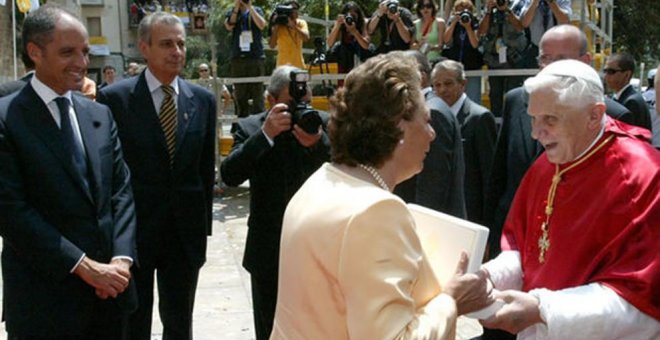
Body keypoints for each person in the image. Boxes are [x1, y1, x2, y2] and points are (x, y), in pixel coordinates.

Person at [270, 51, 493, 339]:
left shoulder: (320, 181)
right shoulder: (376, 211)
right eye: (425, 121)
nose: (432, 134)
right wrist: (450, 300)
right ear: (399, 125)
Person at [480, 59, 659, 339]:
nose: (535, 133)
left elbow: (642, 303)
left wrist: (543, 310)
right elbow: (523, 251)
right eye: (533, 118)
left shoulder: (642, 176)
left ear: (593, 115)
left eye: (550, 119)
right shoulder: (546, 165)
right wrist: (488, 278)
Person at [0, 4, 137, 338]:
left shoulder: (99, 115)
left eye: (85, 52)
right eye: (67, 52)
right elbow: (12, 212)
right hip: (44, 305)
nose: (81, 63)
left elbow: (121, 193)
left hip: (109, 298)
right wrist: (84, 267)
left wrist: (120, 261)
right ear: (35, 52)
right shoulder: (7, 119)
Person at [97, 11, 217, 340]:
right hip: (134, 234)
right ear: (144, 48)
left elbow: (205, 171)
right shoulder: (115, 99)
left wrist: (202, 229)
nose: (176, 51)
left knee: (179, 322)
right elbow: (107, 173)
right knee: (133, 322)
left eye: (180, 44)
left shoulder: (203, 101)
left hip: (184, 233)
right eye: (166, 44)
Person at [484, 25, 635, 264]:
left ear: (585, 61)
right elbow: (499, 176)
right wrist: (489, 236)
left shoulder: (616, 117)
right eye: (545, 58)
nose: (551, 67)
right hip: (512, 243)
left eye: (562, 59)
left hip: (575, 251)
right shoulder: (515, 100)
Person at [220, 65, 330, 340]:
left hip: (319, 248)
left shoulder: (324, 123)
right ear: (271, 100)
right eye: (292, 103)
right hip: (269, 252)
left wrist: (318, 143)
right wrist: (266, 135)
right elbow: (230, 175)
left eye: (304, 101)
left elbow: (350, 168)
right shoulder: (251, 127)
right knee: (270, 330)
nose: (299, 109)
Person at [394, 50, 466, 219]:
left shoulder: (431, 113)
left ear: (420, 74)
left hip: (432, 227)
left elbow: (432, 184)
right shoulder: (430, 107)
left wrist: (420, 226)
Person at [432, 59, 496, 225]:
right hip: (441, 212)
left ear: (463, 84)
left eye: (448, 83)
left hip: (471, 215)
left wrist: (487, 224)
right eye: (437, 85)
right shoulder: (432, 118)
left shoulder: (480, 118)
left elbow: (490, 176)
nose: (442, 90)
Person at [479, 0, 533, 118]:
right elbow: (481, 31)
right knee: (495, 95)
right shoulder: (489, 8)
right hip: (494, 59)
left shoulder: (516, 5)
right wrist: (488, 12)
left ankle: (513, 123)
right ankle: (497, 127)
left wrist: (507, 10)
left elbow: (520, 27)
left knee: (513, 95)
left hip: (514, 58)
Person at [225, 0, 266, 117]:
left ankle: (259, 122)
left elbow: (262, 25)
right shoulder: (233, 12)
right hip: (238, 57)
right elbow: (229, 26)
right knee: (240, 93)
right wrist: (236, 7)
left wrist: (250, 7)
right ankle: (241, 123)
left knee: (258, 92)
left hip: (255, 56)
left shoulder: (257, 10)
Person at [442, 0, 483, 104]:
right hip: (455, 67)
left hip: (472, 65)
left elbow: (475, 44)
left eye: (466, 11)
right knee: (455, 99)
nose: (463, 14)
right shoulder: (453, 21)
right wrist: (454, 22)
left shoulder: (474, 21)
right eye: (459, 11)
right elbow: (446, 39)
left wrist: (468, 27)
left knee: (473, 99)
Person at [603, 53, 652, 131]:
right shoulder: (620, 97)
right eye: (605, 71)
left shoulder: (632, 102)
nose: (605, 76)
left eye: (611, 71)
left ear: (627, 75)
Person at [326, 1, 371, 74]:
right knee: (335, 51)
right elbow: (329, 43)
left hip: (360, 51)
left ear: (358, 15)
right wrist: (337, 26)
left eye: (353, 15)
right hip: (344, 53)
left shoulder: (363, 22)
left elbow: (365, 45)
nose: (351, 18)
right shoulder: (341, 23)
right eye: (349, 15)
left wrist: (355, 32)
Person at [268, 1, 309, 69]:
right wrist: (276, 25)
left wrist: (294, 27)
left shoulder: (301, 23)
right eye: (293, 9)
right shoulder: (279, 26)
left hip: (299, 66)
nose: (296, 11)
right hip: (282, 67)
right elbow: (272, 45)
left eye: (296, 9)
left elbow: (306, 38)